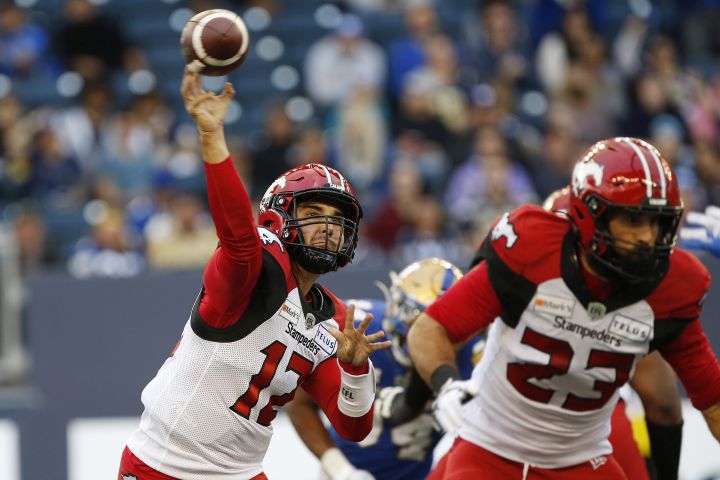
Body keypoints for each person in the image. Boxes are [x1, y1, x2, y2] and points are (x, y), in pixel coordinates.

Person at [117, 69, 391, 480]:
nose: (329, 227)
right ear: (277, 219)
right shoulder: (255, 269)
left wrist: (354, 370)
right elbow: (238, 238)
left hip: (241, 472)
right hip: (165, 465)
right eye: (313, 213)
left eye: (337, 218)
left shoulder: (333, 319)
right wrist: (212, 138)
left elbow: (355, 427)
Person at [408, 137, 720, 479]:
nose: (647, 237)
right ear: (590, 215)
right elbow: (430, 328)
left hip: (583, 458)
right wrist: (447, 385)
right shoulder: (531, 250)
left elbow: (712, 401)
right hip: (492, 447)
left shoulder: (671, 287)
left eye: (657, 222)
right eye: (633, 221)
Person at [286, 258, 485, 480]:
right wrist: (341, 470)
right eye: (420, 324)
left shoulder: (472, 354)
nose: (427, 335)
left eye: (442, 327)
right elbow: (300, 404)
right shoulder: (363, 334)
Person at [544, 186, 683, 480]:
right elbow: (664, 405)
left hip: (507, 433)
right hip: (597, 431)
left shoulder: (516, 280)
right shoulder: (634, 306)